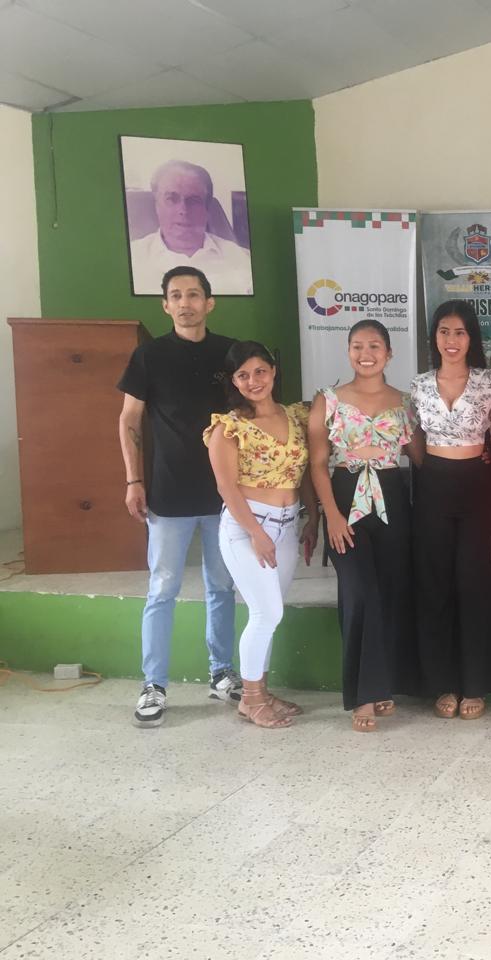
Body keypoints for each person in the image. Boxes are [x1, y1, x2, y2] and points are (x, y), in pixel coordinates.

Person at [117, 266, 239, 728]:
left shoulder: (231, 353)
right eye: (176, 295)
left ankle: (222, 672)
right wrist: (133, 480)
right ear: (165, 305)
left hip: (225, 495)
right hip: (168, 493)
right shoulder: (148, 356)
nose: (185, 303)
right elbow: (129, 420)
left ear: (210, 302)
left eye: (194, 294)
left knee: (222, 586)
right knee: (162, 588)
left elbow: (251, 416)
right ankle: (154, 684)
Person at [307, 320, 417, 733]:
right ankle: (364, 695)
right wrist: (331, 515)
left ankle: (382, 683)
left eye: (374, 346)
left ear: (389, 353)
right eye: (357, 346)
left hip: (391, 499)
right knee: (359, 592)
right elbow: (318, 463)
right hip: (344, 498)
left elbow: (420, 456)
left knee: (388, 593)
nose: (365, 353)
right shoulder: (328, 400)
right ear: (348, 351)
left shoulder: (406, 402)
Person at [205, 342, 319, 729]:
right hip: (247, 528)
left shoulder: (296, 416)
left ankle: (262, 691)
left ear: (273, 371)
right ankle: (250, 699)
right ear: (233, 381)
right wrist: (256, 533)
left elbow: (303, 474)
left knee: (271, 613)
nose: (253, 381)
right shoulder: (228, 427)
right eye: (243, 375)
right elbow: (226, 487)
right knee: (266, 612)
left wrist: (312, 517)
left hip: (286, 525)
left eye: (260, 371)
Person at [409, 300, 491, 721]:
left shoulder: (489, 381)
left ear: (472, 338)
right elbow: (414, 439)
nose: (451, 340)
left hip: (477, 485)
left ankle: (476, 682)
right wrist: (434, 472)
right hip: (432, 483)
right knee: (435, 582)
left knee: (474, 580)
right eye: (444, 331)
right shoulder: (418, 385)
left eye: (460, 332)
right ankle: (442, 682)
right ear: (434, 337)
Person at [129, 160, 252, 296]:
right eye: (171, 199)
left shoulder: (242, 260)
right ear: (157, 206)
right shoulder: (131, 259)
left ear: (207, 209)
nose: (183, 210)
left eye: (193, 201)